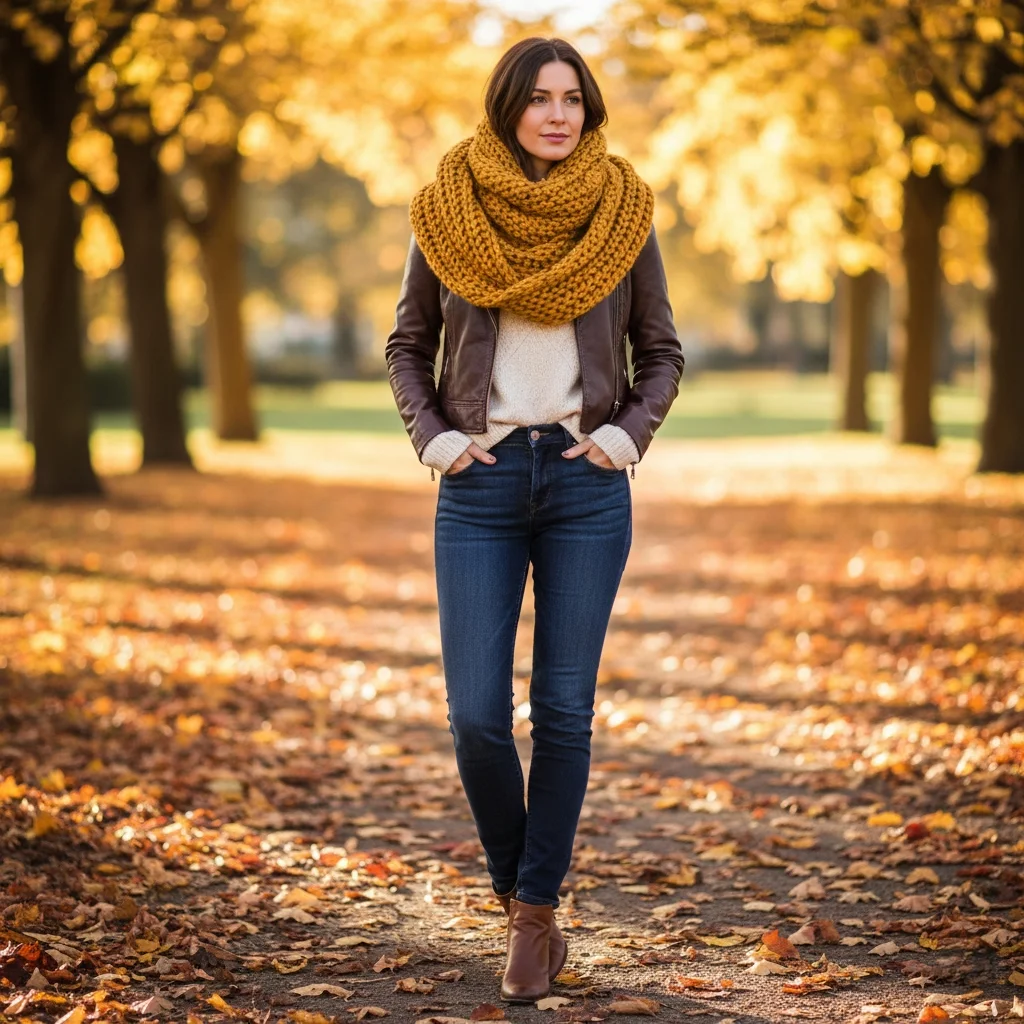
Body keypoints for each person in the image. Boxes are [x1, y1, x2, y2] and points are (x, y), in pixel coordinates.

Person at [385, 36, 684, 1003]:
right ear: (506, 105)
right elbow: (407, 343)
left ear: (590, 111)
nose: (559, 115)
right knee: (475, 715)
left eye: (574, 99)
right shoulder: (445, 208)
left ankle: (533, 914)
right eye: (540, 99)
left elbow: (662, 353)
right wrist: (434, 438)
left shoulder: (624, 211)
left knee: (561, 711)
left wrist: (623, 437)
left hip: (585, 480)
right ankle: (522, 890)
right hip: (477, 482)